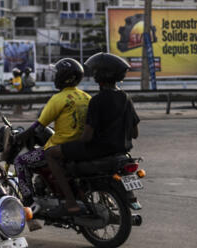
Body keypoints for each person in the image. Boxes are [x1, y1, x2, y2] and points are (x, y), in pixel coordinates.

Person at [44, 52, 140, 217]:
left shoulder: (97, 100)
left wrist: (73, 144)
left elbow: (87, 137)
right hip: (120, 151)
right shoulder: (126, 98)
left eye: (96, 72)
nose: (94, 74)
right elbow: (134, 132)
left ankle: (70, 203)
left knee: (51, 154)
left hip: (97, 150)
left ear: (102, 75)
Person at [13, 58, 90, 199]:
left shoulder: (58, 99)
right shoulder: (86, 97)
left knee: (20, 161)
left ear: (63, 77)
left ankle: (29, 201)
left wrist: (20, 137)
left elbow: (38, 127)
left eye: (57, 74)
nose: (54, 77)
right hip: (80, 147)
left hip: (60, 148)